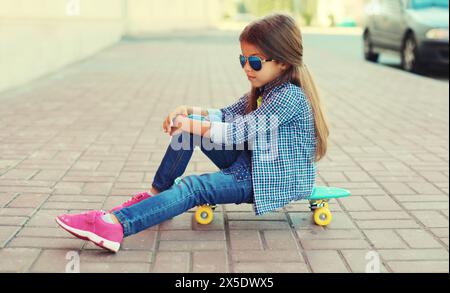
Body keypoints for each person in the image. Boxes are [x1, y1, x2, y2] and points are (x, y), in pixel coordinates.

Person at [55, 13, 329, 252]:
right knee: (191, 130)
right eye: (242, 59)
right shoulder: (267, 89)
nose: (247, 67)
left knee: (194, 188)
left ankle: (115, 226)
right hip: (253, 162)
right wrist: (189, 112)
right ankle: (156, 195)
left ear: (282, 62)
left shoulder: (289, 97)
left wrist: (191, 124)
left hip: (266, 178)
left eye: (255, 62)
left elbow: (238, 132)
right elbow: (226, 114)